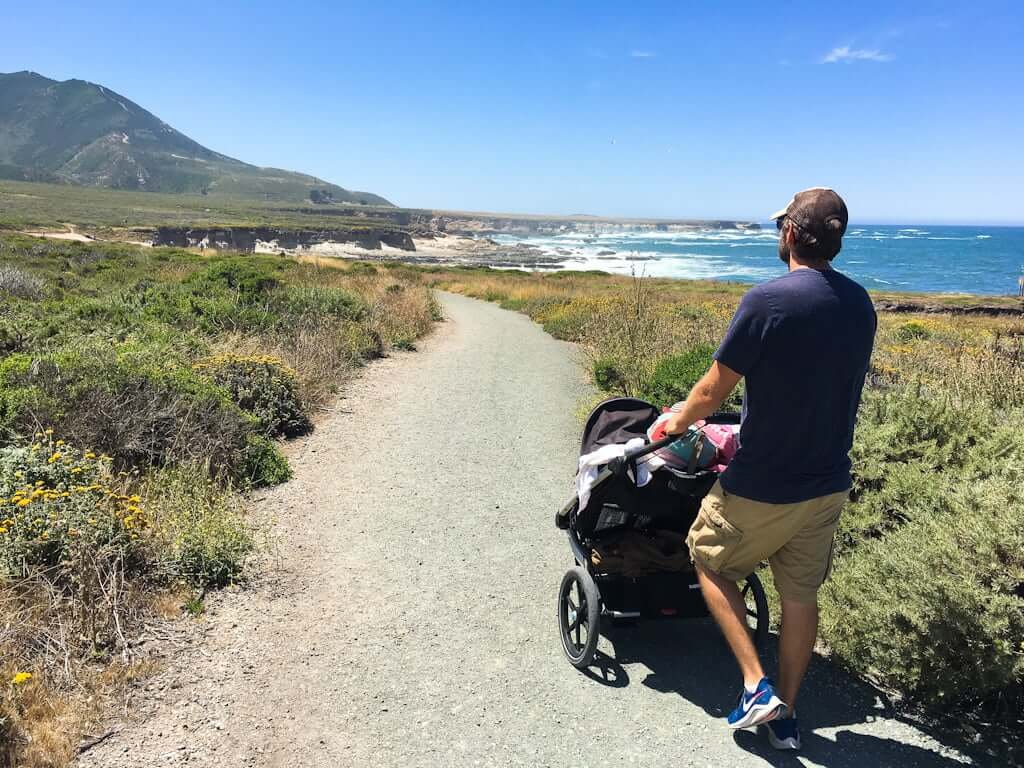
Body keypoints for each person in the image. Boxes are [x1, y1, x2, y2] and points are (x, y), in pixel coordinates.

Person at [660, 188, 876, 751]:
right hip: (827, 481)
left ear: (789, 234)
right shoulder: (860, 304)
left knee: (708, 558)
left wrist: (673, 424)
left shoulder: (768, 301)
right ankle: (787, 715)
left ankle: (757, 687)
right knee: (799, 597)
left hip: (763, 481)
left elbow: (712, 390)